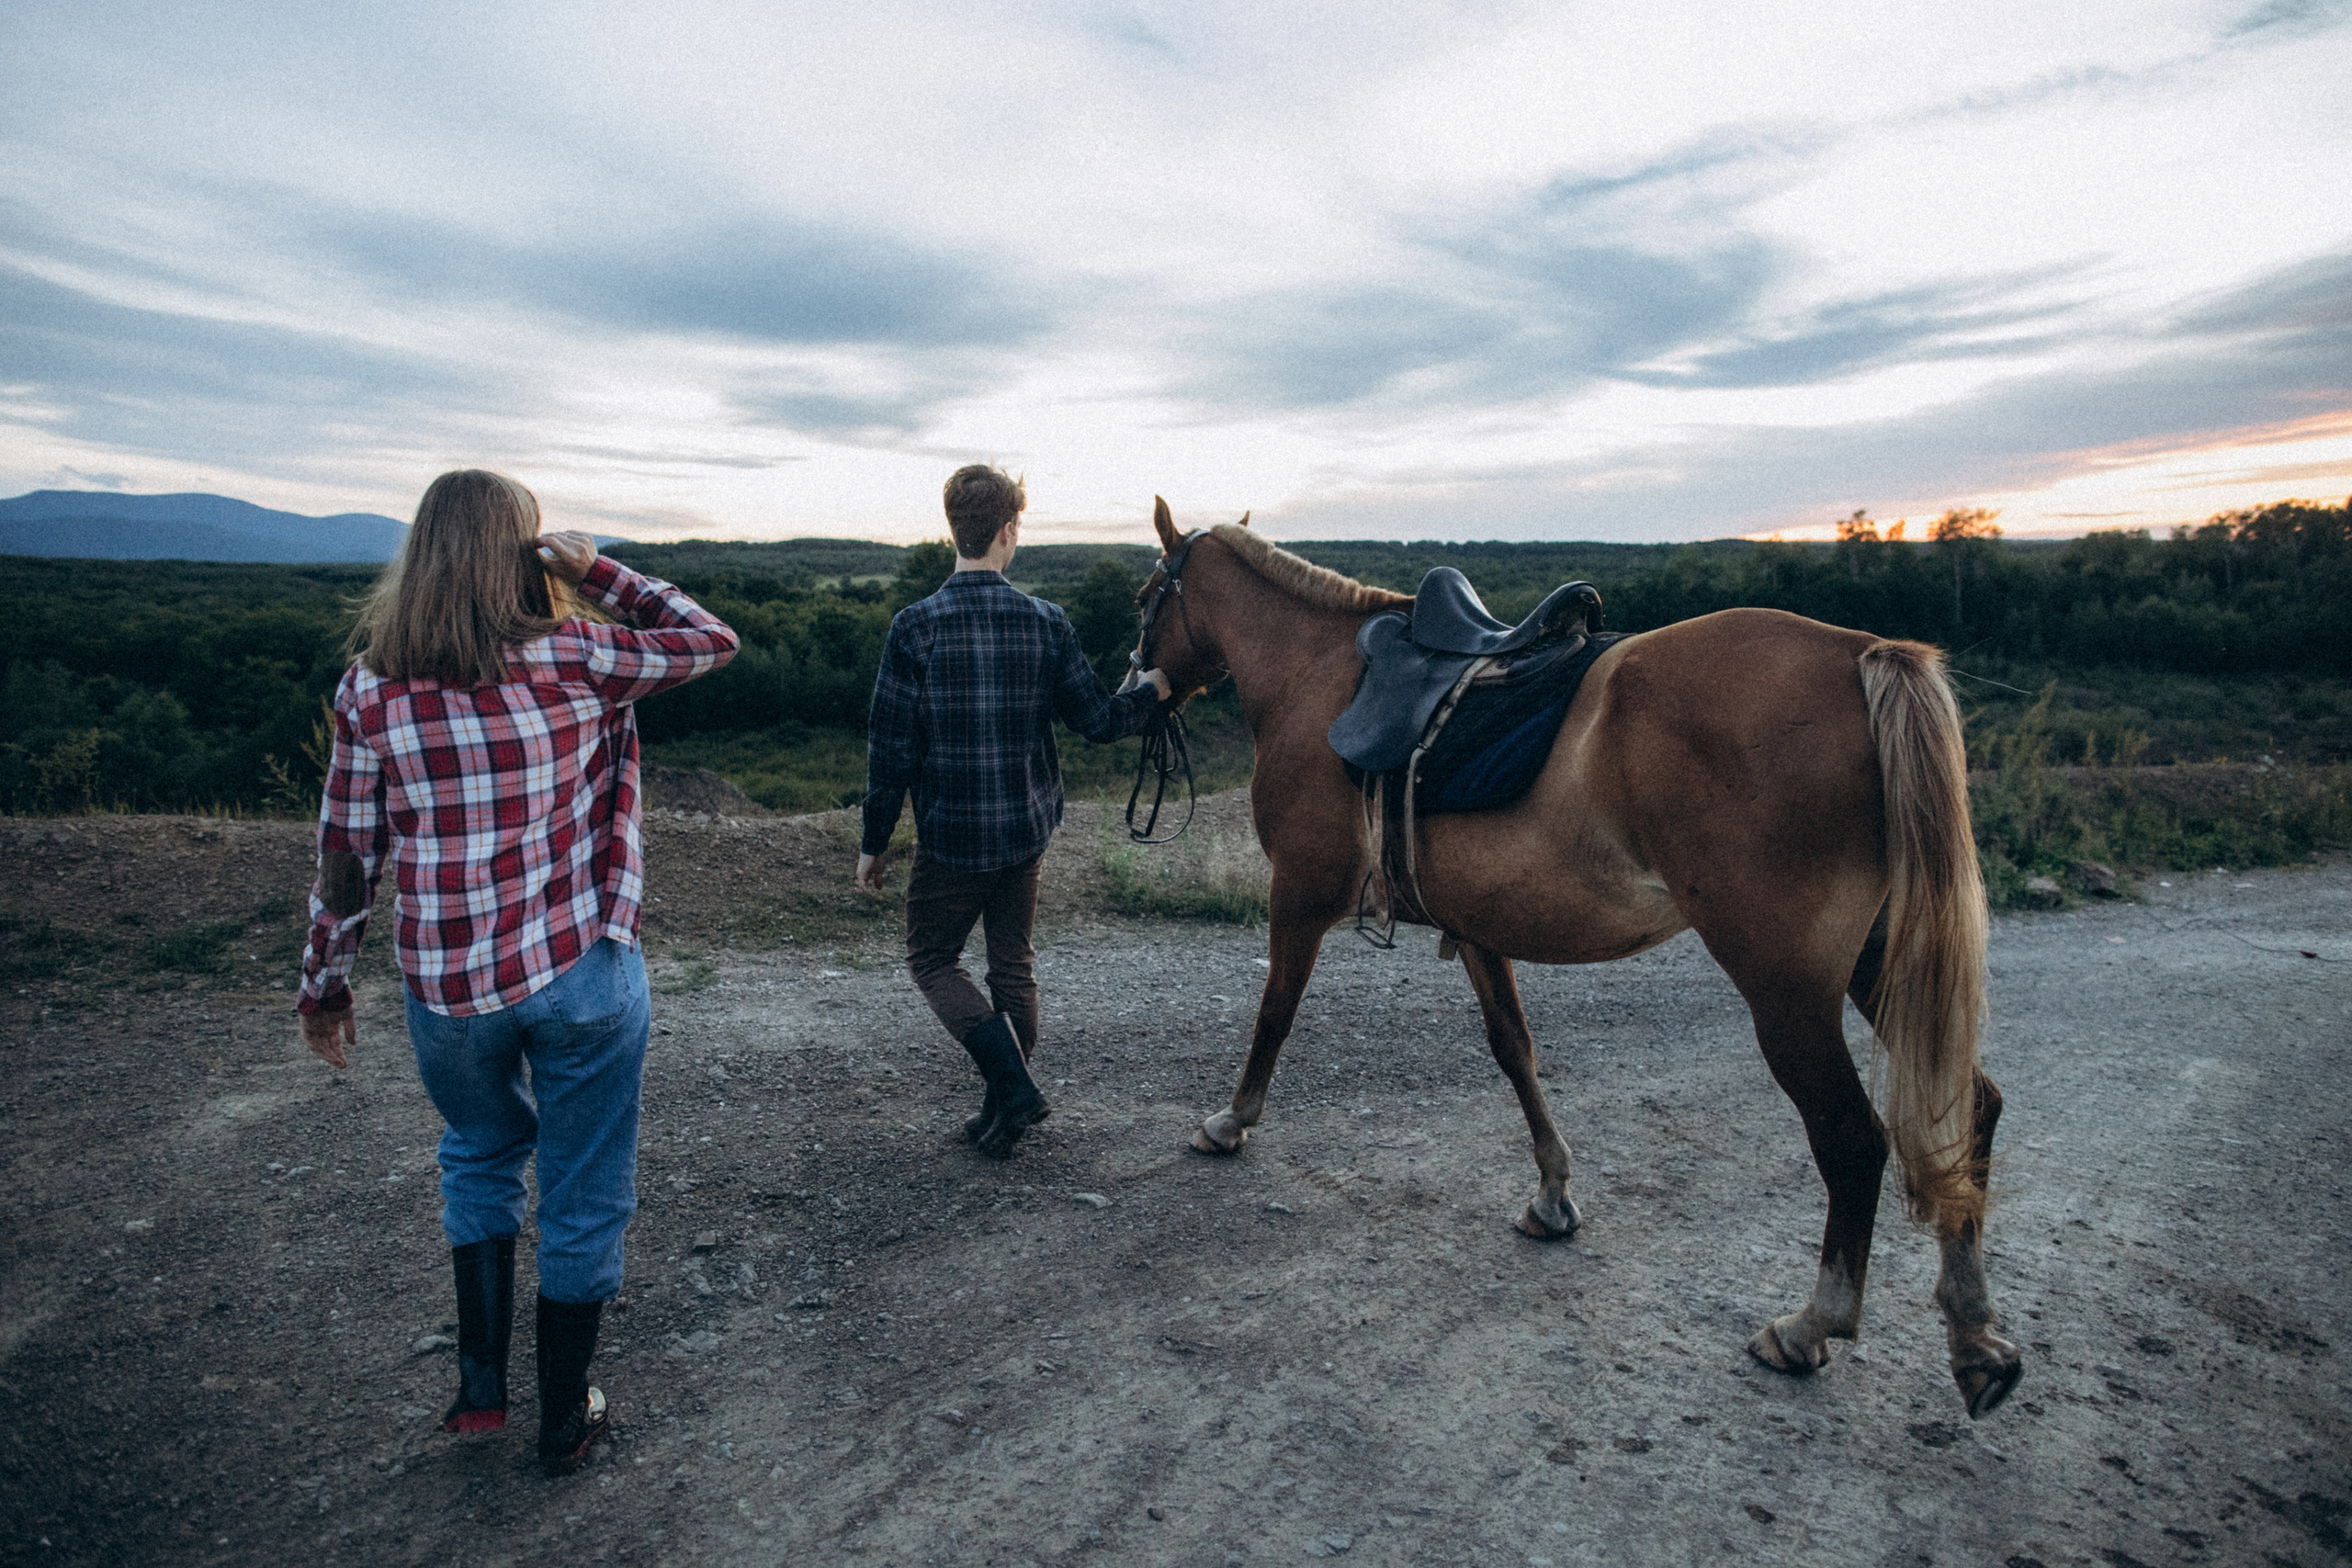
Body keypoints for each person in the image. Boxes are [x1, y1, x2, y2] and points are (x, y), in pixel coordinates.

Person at [293, 469, 738, 1474]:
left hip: (447, 989)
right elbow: (712, 641)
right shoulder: (575, 652)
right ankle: (563, 1417)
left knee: (481, 1150)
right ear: (520, 555)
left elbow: (345, 853)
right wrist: (596, 569)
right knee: (583, 1194)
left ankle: (481, 1388)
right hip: (580, 968)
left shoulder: (368, 687)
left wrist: (323, 985)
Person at [857, 465, 1171, 1156]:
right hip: (1024, 829)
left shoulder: (914, 627)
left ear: (955, 530)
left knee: (933, 957)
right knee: (1011, 966)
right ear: (1007, 531)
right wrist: (1153, 690)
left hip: (952, 835)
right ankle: (1008, 1099)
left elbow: (890, 750)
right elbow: (1096, 720)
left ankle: (1011, 1094)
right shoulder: (1046, 622)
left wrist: (873, 841)